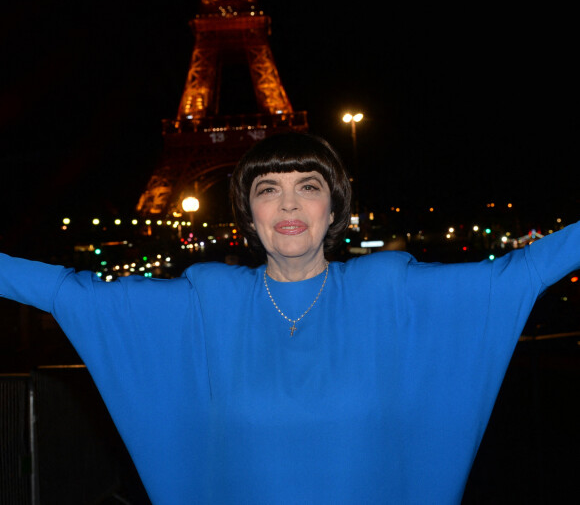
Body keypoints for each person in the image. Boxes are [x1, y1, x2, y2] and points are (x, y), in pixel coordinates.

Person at [1, 131, 579, 504]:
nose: (288, 204)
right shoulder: (210, 299)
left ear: (333, 209)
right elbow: (67, 292)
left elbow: (523, 272)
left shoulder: (388, 290)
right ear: (249, 217)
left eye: (308, 186)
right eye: (267, 189)